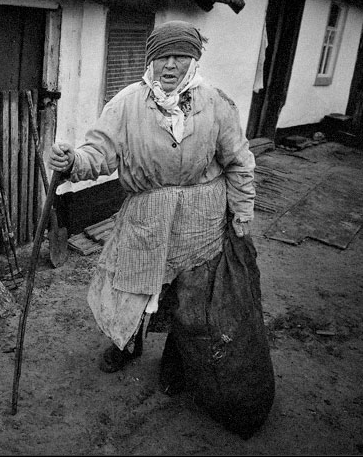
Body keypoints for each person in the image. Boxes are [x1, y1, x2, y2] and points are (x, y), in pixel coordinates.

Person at [47, 20, 256, 387]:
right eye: (162, 57)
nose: (170, 66)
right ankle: (126, 344)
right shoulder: (128, 103)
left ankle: (178, 361)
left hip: (201, 220)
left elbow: (239, 160)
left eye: (180, 56)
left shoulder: (216, 103)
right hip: (147, 214)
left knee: (191, 296)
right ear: (151, 62)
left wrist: (241, 211)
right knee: (131, 285)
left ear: (194, 60)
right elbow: (100, 152)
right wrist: (74, 163)